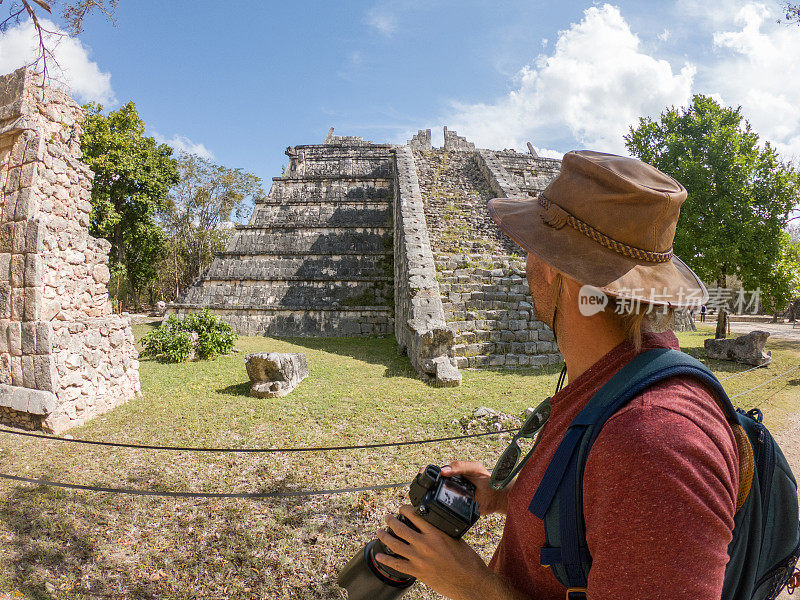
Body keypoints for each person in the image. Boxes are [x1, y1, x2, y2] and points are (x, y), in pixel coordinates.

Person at [373, 151, 739, 599]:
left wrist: (471, 585)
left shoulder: (655, 444)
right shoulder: (612, 384)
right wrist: (505, 495)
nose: (527, 263)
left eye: (534, 248)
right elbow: (597, 507)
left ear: (555, 269)